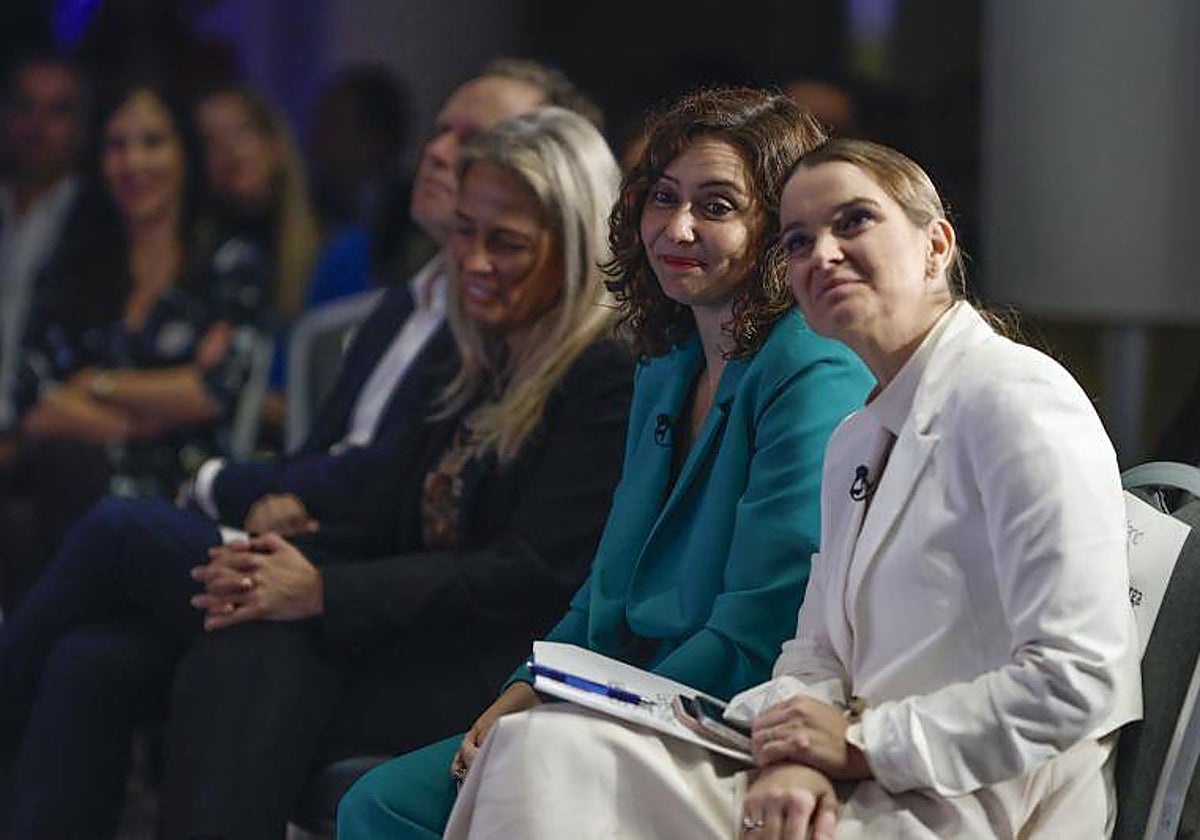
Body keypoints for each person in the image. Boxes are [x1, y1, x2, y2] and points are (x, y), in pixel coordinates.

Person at [440, 138, 1143, 840]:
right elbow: (815, 653)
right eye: (799, 240)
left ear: (937, 245)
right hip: (849, 780)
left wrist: (859, 745)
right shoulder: (859, 434)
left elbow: (1080, 679)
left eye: (854, 221)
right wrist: (796, 755)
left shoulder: (1016, 397)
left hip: (970, 792)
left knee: (549, 759)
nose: (822, 255)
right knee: (541, 745)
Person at [0, 105, 632, 839]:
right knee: (95, 657)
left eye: (508, 244)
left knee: (207, 599)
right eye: (465, 233)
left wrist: (320, 589)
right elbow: (381, 496)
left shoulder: (603, 373)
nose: (475, 262)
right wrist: (287, 530)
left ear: (579, 243)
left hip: (478, 661)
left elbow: (527, 575)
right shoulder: (474, 348)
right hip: (391, 609)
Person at [338, 87, 874, 839]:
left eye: (717, 206)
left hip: (728, 712)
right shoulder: (667, 362)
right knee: (380, 802)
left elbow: (757, 629)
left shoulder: (811, 369)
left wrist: (575, 711)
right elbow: (604, 593)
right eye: (664, 197)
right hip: (617, 693)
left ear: (778, 228)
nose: (678, 227)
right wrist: (527, 688)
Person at [183, 58, 602, 536]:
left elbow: (421, 511)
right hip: (320, 540)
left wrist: (219, 486)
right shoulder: (404, 302)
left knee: (122, 534)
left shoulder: (517, 328)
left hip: (372, 567)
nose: (439, 152)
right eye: (441, 130)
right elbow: (322, 454)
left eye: (475, 140)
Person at [2, 80, 268, 605]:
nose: (133, 163)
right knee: (49, 485)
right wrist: (144, 414)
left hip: (179, 490)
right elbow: (33, 393)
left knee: (42, 498)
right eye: (117, 146)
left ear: (183, 154)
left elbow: (213, 392)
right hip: (72, 480)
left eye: (152, 142)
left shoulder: (227, 262)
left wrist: (94, 383)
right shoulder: (73, 265)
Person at [0, 51, 88, 432]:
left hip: (45, 433)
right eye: (25, 106)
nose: (37, 125)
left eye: (58, 111)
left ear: (81, 127)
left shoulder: (99, 223)